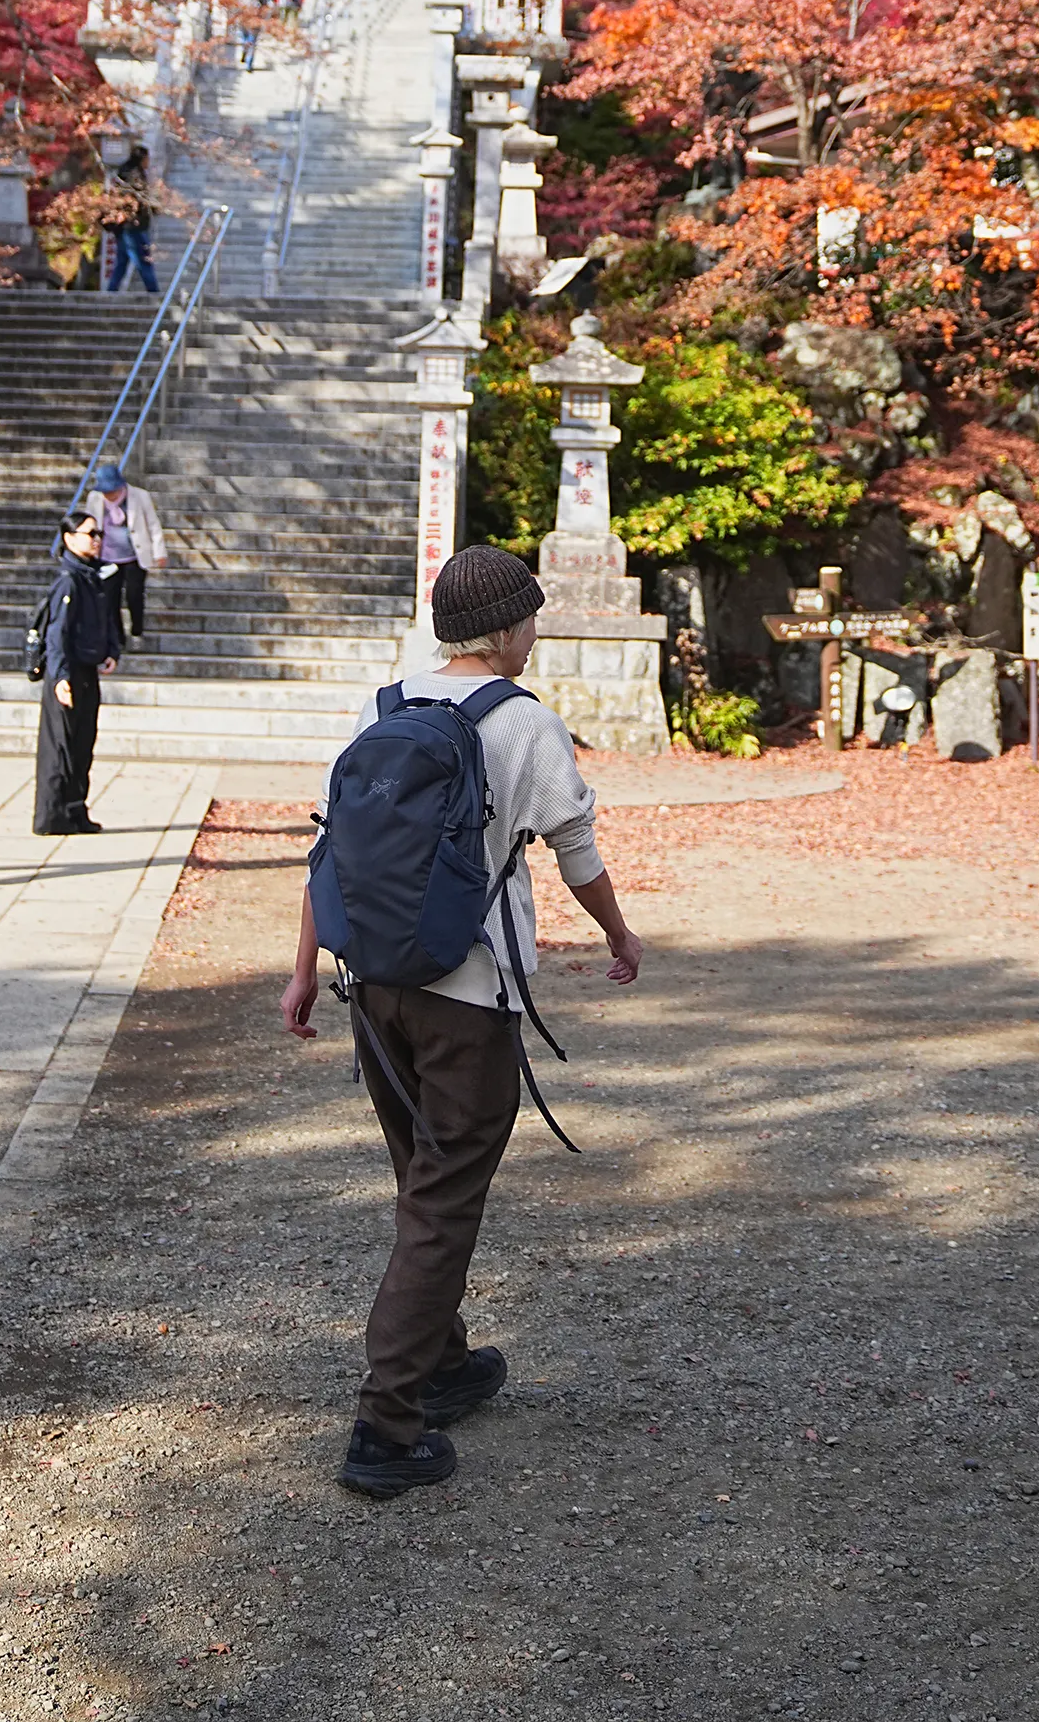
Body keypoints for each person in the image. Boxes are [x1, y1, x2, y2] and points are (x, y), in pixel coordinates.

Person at [280, 542, 643, 1498]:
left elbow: (332, 844)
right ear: (509, 626)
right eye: (531, 617)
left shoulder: (386, 706)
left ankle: (441, 1366)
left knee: (422, 1179)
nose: (536, 633)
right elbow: (575, 849)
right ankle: (384, 1428)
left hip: (376, 989)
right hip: (470, 998)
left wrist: (304, 969)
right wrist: (621, 934)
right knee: (442, 1203)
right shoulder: (522, 723)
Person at [34, 508, 123, 836]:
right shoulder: (68, 579)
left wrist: (111, 650)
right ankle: (52, 814)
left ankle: (76, 808)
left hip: (88, 669)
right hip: (68, 671)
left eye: (99, 534)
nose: (97, 540)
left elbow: (109, 619)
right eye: (90, 534)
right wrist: (59, 677)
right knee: (60, 745)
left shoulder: (97, 576)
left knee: (83, 742)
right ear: (69, 539)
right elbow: (56, 634)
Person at [89, 468, 166, 654]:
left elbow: (153, 524)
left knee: (134, 595)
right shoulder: (95, 498)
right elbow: (91, 524)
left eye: (112, 490)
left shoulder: (139, 496)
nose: (109, 495)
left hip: (135, 556)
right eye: (105, 491)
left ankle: (137, 632)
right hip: (107, 557)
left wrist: (159, 551)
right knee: (110, 600)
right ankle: (118, 639)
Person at [104, 142, 158, 295]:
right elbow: (138, 201)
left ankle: (111, 291)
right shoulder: (135, 175)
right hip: (134, 226)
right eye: (147, 158)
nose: (149, 161)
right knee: (143, 260)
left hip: (124, 226)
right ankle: (154, 293)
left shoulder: (126, 173)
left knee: (121, 263)